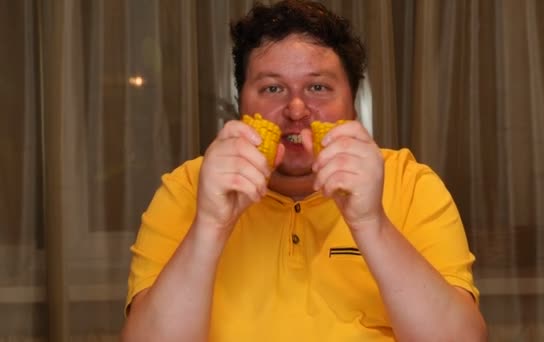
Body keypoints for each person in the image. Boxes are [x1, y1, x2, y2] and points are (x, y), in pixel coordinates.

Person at [121, 0, 487, 341]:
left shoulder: (411, 183)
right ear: (241, 102)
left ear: (353, 103)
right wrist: (210, 226)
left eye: (318, 87)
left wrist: (370, 224)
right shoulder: (186, 188)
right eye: (273, 87)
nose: (297, 109)